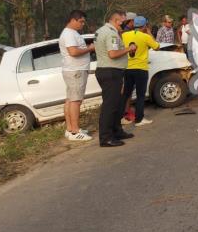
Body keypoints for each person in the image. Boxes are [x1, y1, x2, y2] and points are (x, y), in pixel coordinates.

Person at [94, 10, 137, 147]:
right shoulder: (111, 33)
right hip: (110, 72)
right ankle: (106, 138)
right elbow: (112, 53)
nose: (125, 25)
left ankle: (117, 130)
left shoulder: (101, 31)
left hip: (109, 71)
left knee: (117, 104)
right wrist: (129, 48)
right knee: (110, 106)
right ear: (117, 20)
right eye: (123, 22)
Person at [59, 10, 95, 141]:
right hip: (75, 71)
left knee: (70, 99)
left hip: (74, 70)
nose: (83, 24)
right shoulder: (69, 33)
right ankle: (75, 131)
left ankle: (70, 129)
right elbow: (73, 52)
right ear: (73, 20)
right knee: (75, 101)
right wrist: (90, 48)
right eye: (81, 21)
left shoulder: (72, 33)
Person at [122, 16, 160, 126]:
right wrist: (149, 33)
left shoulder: (124, 35)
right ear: (144, 26)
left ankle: (121, 117)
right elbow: (157, 47)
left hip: (127, 68)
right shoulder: (145, 36)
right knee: (140, 95)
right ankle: (139, 119)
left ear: (134, 25)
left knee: (126, 94)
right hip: (140, 68)